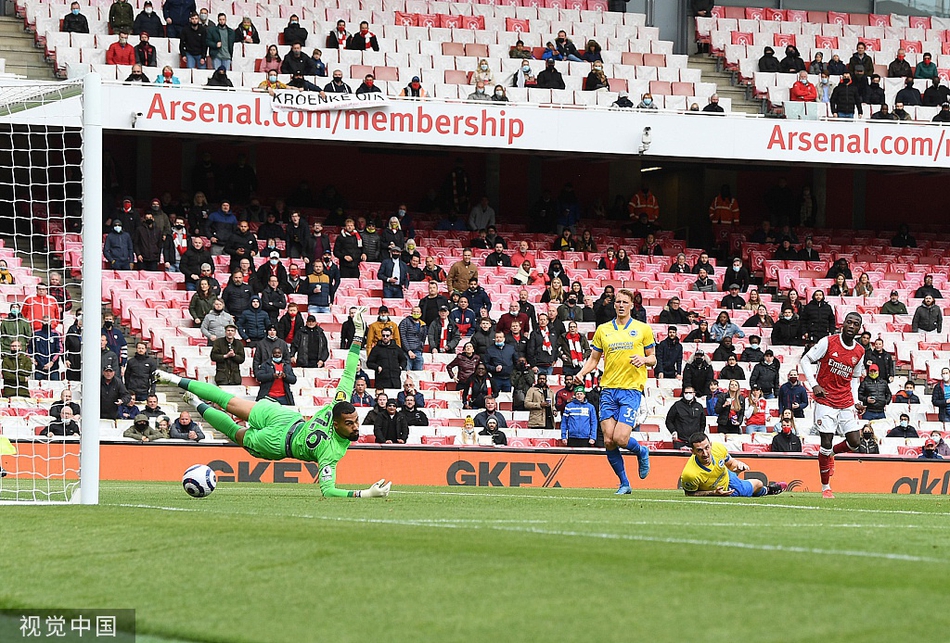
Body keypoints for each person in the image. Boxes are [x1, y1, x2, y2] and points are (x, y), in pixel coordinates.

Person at [159, 310, 391, 496]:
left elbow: (350, 371)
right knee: (231, 410)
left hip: (281, 432)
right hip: (282, 431)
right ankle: (174, 380)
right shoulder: (332, 449)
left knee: (233, 419)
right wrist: (366, 493)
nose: (355, 427)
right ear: (337, 424)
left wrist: (359, 334)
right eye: (350, 423)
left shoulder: (335, 420)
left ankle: (195, 401)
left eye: (355, 422)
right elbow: (328, 491)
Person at [574, 289, 653, 494]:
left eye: (624, 302)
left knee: (621, 438)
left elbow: (653, 358)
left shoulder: (642, 329)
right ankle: (624, 483)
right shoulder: (603, 330)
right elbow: (594, 359)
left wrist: (643, 360)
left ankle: (642, 451)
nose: (620, 305)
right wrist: (581, 373)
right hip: (608, 389)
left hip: (631, 390)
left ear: (631, 305)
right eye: (617, 301)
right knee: (608, 440)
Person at [799, 312, 867, 499]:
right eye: (849, 322)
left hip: (845, 400)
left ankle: (831, 456)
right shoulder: (828, 342)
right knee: (826, 443)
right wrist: (814, 385)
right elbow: (805, 360)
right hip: (826, 399)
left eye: (856, 324)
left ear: (859, 329)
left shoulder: (860, 351)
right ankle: (825, 487)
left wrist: (856, 401)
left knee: (855, 443)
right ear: (843, 324)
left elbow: (854, 379)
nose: (852, 326)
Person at [680, 433, 786, 497]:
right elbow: (689, 494)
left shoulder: (718, 448)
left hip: (727, 475)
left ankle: (766, 490)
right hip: (723, 490)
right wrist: (713, 493)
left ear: (711, 445)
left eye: (707, 448)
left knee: (757, 483)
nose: (705, 453)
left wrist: (738, 465)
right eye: (699, 450)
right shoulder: (690, 474)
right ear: (692, 451)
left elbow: (731, 463)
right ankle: (767, 490)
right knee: (758, 484)